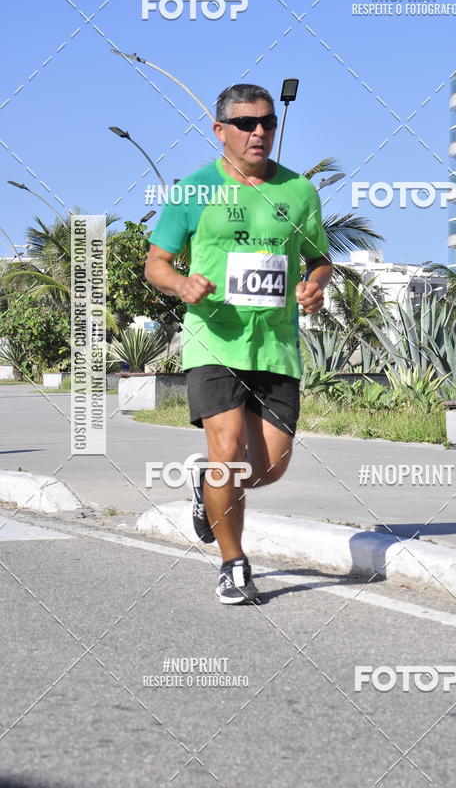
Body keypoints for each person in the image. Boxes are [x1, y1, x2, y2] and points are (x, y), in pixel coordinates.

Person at [144, 83, 332, 605]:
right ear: (220, 130)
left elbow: (319, 258)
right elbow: (155, 263)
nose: (259, 133)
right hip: (215, 341)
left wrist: (315, 284)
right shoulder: (194, 191)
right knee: (227, 453)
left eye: (267, 123)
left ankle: (209, 487)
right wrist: (181, 284)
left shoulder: (298, 191)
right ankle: (233, 564)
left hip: (276, 346)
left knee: (267, 468)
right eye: (247, 123)